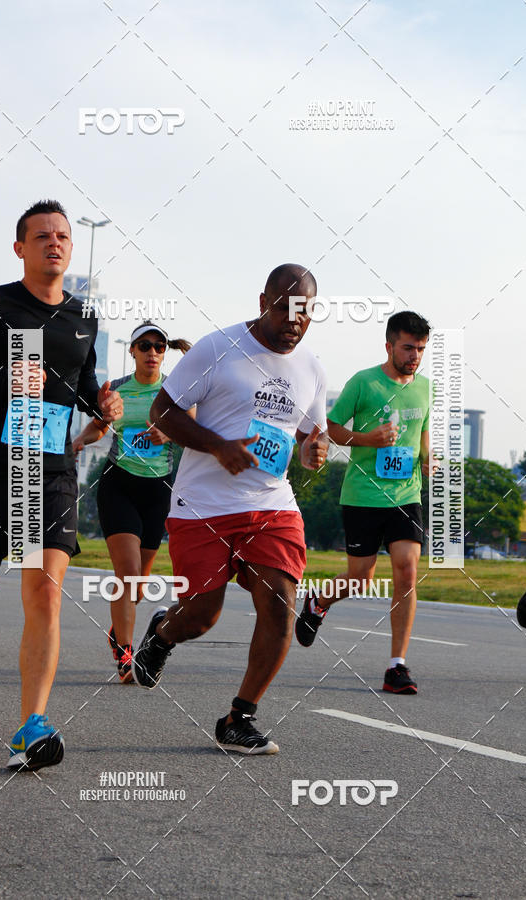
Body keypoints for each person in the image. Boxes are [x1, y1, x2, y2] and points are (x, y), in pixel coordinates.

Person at [0, 199, 123, 770]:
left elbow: (82, 383)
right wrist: (1, 380)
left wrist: (103, 401)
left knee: (44, 589)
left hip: (51, 467)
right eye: (42, 235)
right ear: (20, 248)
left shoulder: (83, 318)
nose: (55, 242)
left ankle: (31, 725)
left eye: (62, 235)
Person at [133, 263, 328, 755]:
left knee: (281, 602)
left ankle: (239, 717)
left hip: (272, 505)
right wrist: (219, 446)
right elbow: (163, 411)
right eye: (284, 308)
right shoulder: (217, 349)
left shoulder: (311, 368)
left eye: (303, 312)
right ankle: (163, 633)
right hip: (202, 506)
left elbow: (309, 435)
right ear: (262, 300)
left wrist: (313, 451)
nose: (293, 322)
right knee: (202, 616)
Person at [294, 311, 431, 695]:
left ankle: (396, 666)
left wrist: (428, 456)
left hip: (406, 494)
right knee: (361, 577)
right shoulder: (363, 382)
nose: (414, 355)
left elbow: (422, 433)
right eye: (408, 347)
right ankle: (318, 602)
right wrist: (370, 439)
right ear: (389, 345)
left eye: (420, 349)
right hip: (363, 496)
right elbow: (332, 429)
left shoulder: (426, 387)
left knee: (406, 570)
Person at [73, 321, 191, 682]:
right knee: (125, 577)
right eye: (145, 346)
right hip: (119, 484)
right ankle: (126, 657)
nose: (152, 352)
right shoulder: (118, 390)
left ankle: (117, 631)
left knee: (138, 585)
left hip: (157, 490)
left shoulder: (174, 393)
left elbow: (194, 427)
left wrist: (169, 431)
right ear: (133, 351)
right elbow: (99, 427)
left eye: (159, 346)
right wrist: (79, 442)